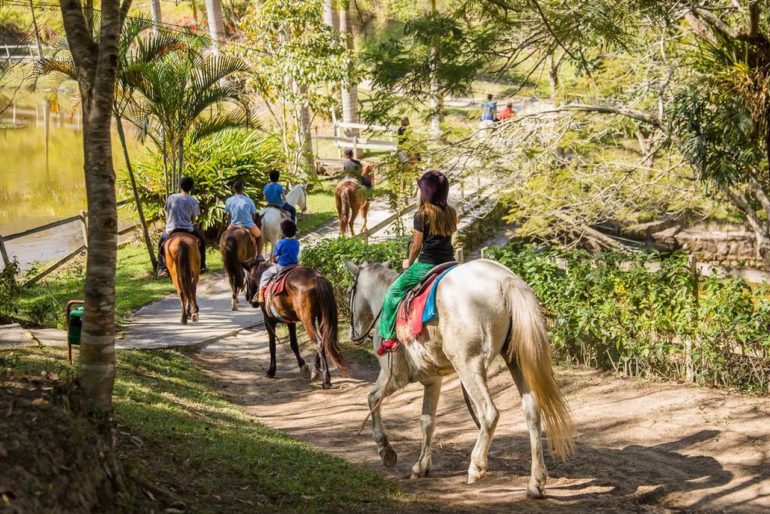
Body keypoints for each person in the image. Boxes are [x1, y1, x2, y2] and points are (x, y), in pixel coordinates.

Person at [376, 170, 457, 355]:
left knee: (393, 293)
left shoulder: (422, 214)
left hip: (427, 265)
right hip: (450, 263)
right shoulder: (451, 212)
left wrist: (408, 262)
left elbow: (416, 245)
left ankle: (389, 337)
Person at [157, 176, 206, 277]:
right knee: (202, 242)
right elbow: (193, 219)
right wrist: (192, 223)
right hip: (188, 229)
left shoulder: (171, 197)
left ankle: (162, 268)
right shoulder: (193, 201)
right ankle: (202, 266)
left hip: (171, 229)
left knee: (161, 243)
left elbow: (167, 211)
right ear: (191, 188)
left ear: (180, 186)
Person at [257, 219, 299, 304]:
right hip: (294, 266)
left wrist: (275, 259)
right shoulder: (296, 242)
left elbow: (274, 256)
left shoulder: (281, 243)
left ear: (283, 232)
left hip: (282, 266)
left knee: (265, 274)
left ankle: (261, 293)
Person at [225, 179, 261, 246]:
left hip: (233, 224)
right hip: (248, 224)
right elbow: (254, 215)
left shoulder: (228, 200)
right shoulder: (249, 200)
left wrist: (230, 223)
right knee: (259, 235)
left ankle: (224, 254)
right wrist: (251, 222)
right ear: (243, 189)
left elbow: (228, 216)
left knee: (225, 237)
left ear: (233, 189)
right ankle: (259, 255)